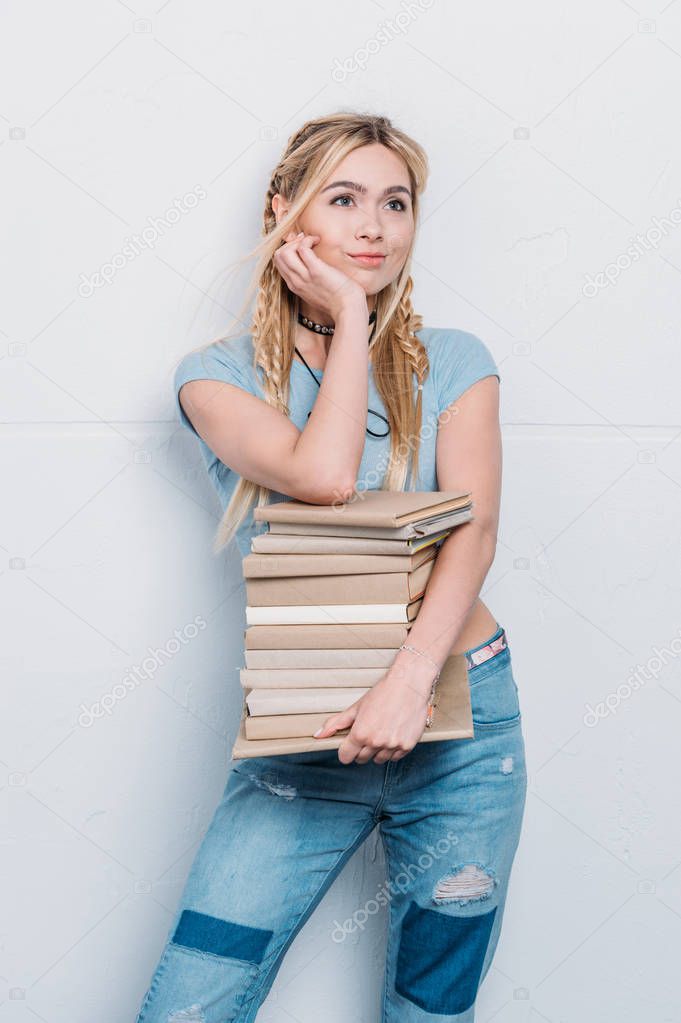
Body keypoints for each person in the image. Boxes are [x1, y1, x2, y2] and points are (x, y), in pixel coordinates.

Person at [135, 112, 527, 1023]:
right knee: (193, 1003)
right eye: (342, 199)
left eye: (395, 203)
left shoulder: (458, 363)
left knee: (432, 1009)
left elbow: (476, 529)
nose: (373, 227)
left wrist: (409, 681)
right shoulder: (215, 377)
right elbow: (324, 475)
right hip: (302, 742)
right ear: (284, 215)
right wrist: (352, 316)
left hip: (462, 727)